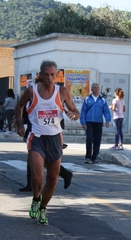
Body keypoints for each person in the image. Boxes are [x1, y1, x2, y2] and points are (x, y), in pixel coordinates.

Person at [15, 60, 80, 225]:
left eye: (52, 74)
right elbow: (19, 106)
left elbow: (74, 110)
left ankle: (43, 208)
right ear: (41, 75)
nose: (49, 78)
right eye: (46, 74)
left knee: (52, 179)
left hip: (55, 139)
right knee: (37, 177)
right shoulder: (32, 91)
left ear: (57, 75)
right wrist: (19, 124)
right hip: (36, 138)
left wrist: (74, 115)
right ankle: (36, 199)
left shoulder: (62, 91)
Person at [19, 75, 73, 192]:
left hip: (51, 133)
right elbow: (24, 110)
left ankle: (64, 173)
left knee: (44, 160)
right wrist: (21, 126)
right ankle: (31, 183)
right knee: (33, 159)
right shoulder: (32, 94)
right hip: (34, 130)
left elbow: (60, 113)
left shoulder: (56, 94)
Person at [80, 83, 111, 164]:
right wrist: (83, 123)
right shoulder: (87, 99)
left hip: (98, 122)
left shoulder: (102, 100)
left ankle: (95, 157)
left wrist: (108, 120)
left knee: (97, 140)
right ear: (91, 89)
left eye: (97, 88)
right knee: (89, 139)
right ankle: (88, 157)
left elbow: (106, 111)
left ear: (99, 89)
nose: (96, 89)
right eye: (94, 88)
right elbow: (83, 112)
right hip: (89, 122)